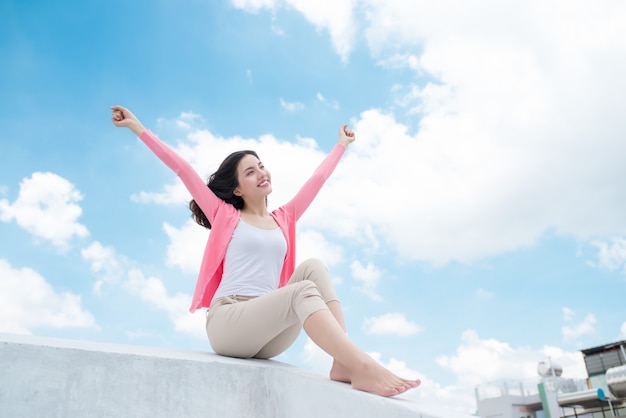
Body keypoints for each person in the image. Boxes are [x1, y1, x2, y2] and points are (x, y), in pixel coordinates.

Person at [110, 105, 421, 397]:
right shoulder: (225, 216)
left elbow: (318, 179)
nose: (261, 173)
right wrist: (137, 127)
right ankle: (362, 365)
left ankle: (343, 362)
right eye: (250, 172)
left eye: (261, 166)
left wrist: (341, 144)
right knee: (301, 291)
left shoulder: (283, 219)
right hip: (229, 323)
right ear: (236, 189)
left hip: (266, 332)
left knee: (313, 267)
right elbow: (182, 169)